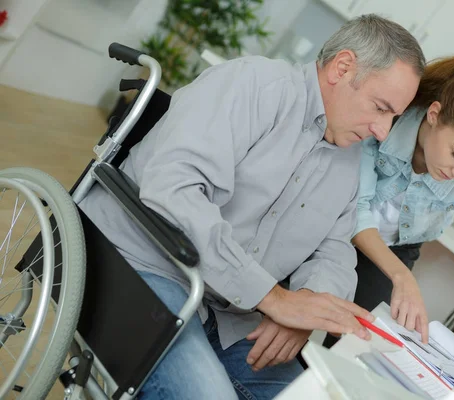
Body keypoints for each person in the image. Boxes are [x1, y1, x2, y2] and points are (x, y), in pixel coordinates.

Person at [79, 14, 425, 400]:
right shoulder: (252, 86)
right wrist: (274, 300)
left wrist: (307, 308)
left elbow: (335, 251)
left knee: (316, 394)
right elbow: (174, 193)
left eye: (393, 117)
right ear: (342, 68)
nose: (383, 130)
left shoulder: (351, 160)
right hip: (141, 270)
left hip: (227, 315)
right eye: (380, 107)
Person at [345, 53, 454, 346]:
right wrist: (403, 278)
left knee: (357, 344)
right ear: (434, 115)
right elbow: (355, 209)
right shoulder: (390, 113)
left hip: (396, 248)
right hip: (339, 221)